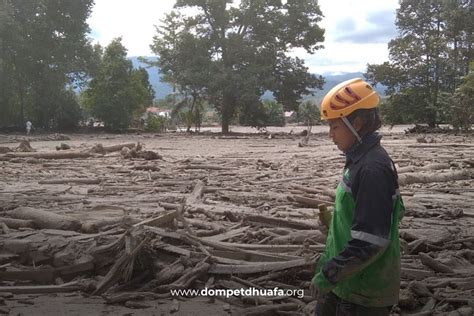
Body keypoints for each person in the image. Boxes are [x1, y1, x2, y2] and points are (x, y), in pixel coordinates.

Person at [312, 78, 405, 316]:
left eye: (335, 127)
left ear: (358, 123)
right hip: (346, 283)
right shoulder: (359, 160)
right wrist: (336, 221)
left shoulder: (372, 169)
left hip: (363, 292)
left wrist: (328, 274)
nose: (330, 135)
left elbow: (371, 240)